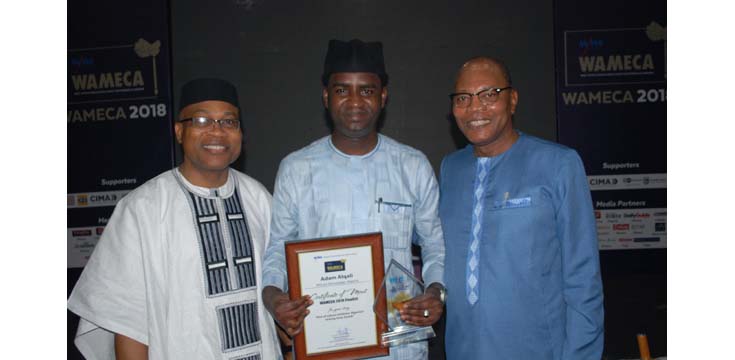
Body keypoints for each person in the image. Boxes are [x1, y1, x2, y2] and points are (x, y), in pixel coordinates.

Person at [67, 78, 282, 360]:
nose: (217, 132)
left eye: (229, 122)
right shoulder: (142, 209)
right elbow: (126, 320)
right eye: (202, 120)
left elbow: (277, 292)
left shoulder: (259, 199)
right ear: (180, 131)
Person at [261, 39, 446, 359]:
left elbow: (435, 246)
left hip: (399, 343)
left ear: (383, 96)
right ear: (326, 96)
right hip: (324, 341)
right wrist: (274, 298)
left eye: (367, 90)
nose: (355, 100)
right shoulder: (296, 169)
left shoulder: (412, 166)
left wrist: (435, 292)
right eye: (342, 89)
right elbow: (277, 249)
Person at [439, 57, 604, 359]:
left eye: (489, 94)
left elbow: (583, 278)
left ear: (512, 100)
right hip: (463, 350)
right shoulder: (451, 169)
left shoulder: (558, 164)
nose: (475, 108)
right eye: (463, 98)